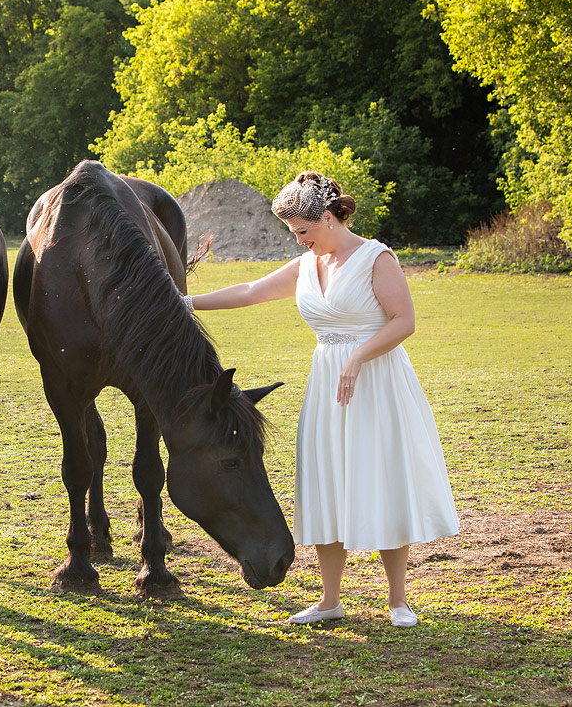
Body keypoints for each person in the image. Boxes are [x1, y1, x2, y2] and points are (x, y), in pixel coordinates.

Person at [183, 171, 459, 628]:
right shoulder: (306, 266)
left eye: (303, 232)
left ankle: (398, 600)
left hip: (377, 381)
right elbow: (251, 292)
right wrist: (185, 303)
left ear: (328, 218)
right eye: (294, 233)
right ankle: (330, 600)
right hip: (327, 384)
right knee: (327, 481)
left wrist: (358, 358)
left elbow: (403, 321)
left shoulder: (376, 258)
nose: (299, 241)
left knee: (381, 476)